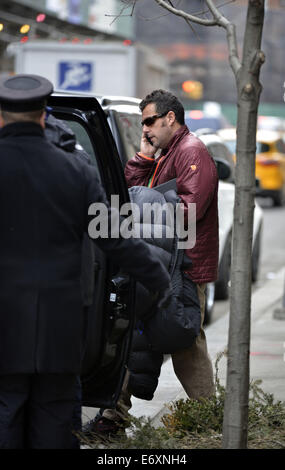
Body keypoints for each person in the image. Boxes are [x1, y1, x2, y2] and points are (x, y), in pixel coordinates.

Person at [0, 75, 171, 449]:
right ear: (44, 116)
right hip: (59, 324)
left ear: (1, 118)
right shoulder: (76, 171)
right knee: (57, 419)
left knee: (5, 410)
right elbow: (116, 239)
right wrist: (157, 277)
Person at [84, 89, 219, 436]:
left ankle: (209, 416)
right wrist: (143, 158)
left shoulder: (191, 152)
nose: (145, 129)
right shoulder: (165, 152)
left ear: (170, 118)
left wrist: (148, 208)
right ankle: (115, 414)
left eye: (150, 121)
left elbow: (190, 210)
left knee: (184, 340)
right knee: (136, 334)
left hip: (184, 267)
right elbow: (125, 195)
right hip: (162, 261)